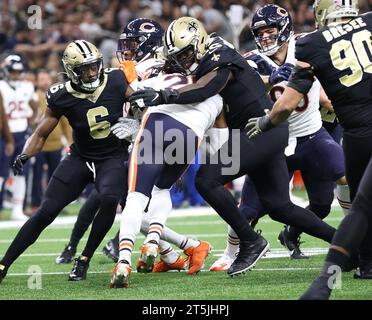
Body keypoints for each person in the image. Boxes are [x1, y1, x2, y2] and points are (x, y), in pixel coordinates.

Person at [128, 16, 336, 278]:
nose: (183, 60)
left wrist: (164, 95)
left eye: (186, 53)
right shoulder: (198, 56)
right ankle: (345, 244)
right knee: (279, 206)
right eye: (178, 56)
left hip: (259, 129)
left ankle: (251, 242)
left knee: (207, 180)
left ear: (200, 42)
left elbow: (207, 87)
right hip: (260, 132)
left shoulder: (218, 53)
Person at [56, 19, 211, 277]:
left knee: (128, 201)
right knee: (127, 201)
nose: (127, 50)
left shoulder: (146, 68)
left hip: (150, 137)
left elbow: (151, 106)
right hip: (170, 136)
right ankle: (176, 251)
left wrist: (136, 128)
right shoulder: (160, 64)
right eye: (125, 45)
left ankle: (183, 247)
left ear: (147, 43)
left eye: (132, 44)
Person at [244, 0, 372, 299]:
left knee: (360, 206)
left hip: (349, 131)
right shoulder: (368, 23)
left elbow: (287, 103)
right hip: (318, 132)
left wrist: (264, 122)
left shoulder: (311, 43)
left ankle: (336, 278)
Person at [210, 4, 351, 271]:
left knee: (332, 192)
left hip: (311, 135)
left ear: (284, 28)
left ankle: (355, 238)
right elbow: (244, 84)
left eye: (269, 30)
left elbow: (322, 77)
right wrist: (268, 77)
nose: (264, 37)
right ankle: (230, 252)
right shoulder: (251, 60)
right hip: (273, 141)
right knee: (249, 208)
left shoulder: (305, 46)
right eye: (260, 32)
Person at [0, 40, 132, 284]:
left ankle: (83, 260)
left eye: (94, 66)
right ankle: (3, 263)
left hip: (112, 156)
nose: (92, 72)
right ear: (72, 71)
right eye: (85, 69)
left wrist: (136, 122)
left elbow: (141, 105)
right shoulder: (61, 95)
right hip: (80, 157)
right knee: (46, 212)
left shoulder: (116, 79)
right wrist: (25, 154)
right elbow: (41, 133)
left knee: (110, 199)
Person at [0, 54, 38, 220]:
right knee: (1, 173)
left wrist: (31, 122)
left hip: (22, 132)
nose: (16, 75)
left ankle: (17, 208)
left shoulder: (27, 87)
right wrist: (8, 139)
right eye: (13, 71)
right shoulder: (1, 86)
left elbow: (36, 107)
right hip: (3, 134)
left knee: (21, 172)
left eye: (18, 71)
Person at [31, 70, 73, 213]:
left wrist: (69, 141)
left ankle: (54, 205)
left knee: (55, 178)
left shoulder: (55, 97)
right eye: (41, 78)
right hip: (38, 146)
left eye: (46, 78)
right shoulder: (33, 98)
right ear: (36, 81)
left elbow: (64, 122)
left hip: (56, 144)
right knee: (36, 178)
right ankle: (36, 204)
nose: (44, 81)